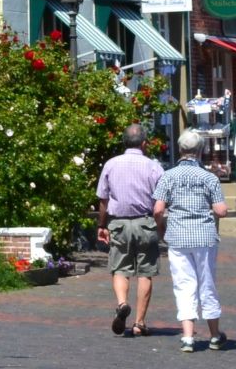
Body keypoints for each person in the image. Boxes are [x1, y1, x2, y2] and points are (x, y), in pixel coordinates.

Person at [154, 128, 230, 352]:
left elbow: (158, 209)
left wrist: (162, 226)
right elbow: (222, 210)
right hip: (204, 236)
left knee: (184, 284)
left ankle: (188, 337)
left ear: (180, 149)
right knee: (207, 284)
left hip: (178, 236)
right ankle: (214, 335)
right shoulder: (209, 178)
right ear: (200, 151)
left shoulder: (168, 176)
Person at [96, 122, 164, 337]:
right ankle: (139, 323)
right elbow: (161, 201)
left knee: (120, 268)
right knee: (145, 272)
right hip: (145, 222)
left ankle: (122, 302)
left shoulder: (111, 164)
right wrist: (160, 226)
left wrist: (101, 225)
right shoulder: (154, 166)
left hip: (119, 223)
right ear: (144, 143)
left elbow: (103, 199)